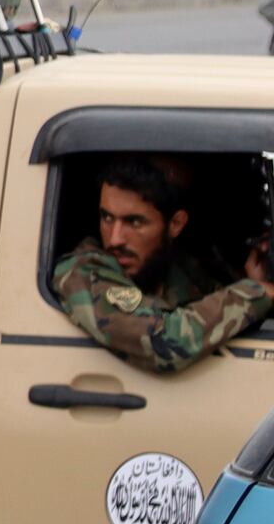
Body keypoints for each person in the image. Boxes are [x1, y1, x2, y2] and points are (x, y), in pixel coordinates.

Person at [51, 157, 273, 374]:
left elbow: (218, 304)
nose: (115, 238)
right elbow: (163, 342)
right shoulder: (84, 271)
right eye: (107, 218)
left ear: (176, 224)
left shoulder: (177, 267)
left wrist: (252, 280)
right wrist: (257, 293)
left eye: (134, 222)